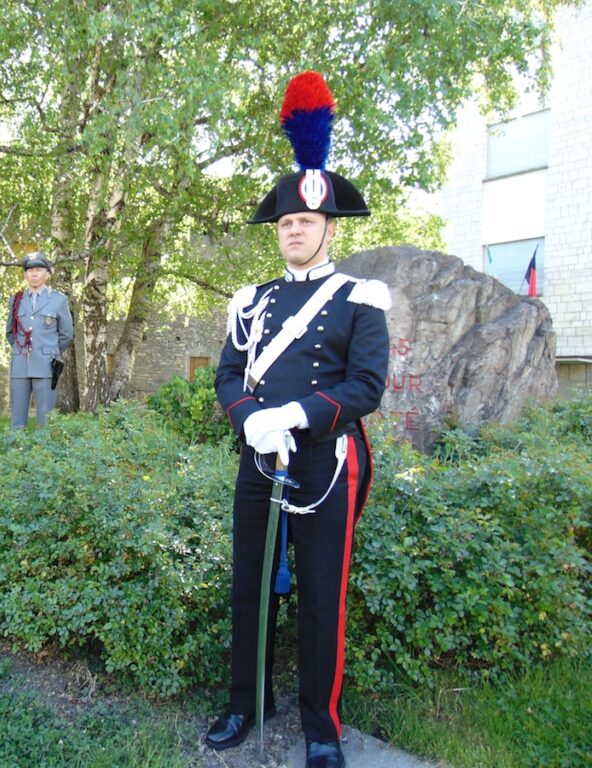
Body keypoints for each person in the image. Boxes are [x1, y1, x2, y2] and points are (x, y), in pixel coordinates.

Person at [206, 72, 390, 768]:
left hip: (324, 462)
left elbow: (366, 385)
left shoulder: (361, 297)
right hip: (259, 457)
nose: (293, 231)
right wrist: (250, 417)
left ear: (328, 227)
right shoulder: (251, 300)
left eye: (305, 222)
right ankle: (247, 703)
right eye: (285, 223)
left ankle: (321, 725)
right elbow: (229, 374)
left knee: (320, 596)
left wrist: (298, 414)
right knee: (250, 584)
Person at [6, 252, 74, 429]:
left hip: (46, 364)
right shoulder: (16, 300)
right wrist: (20, 349)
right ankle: (15, 454)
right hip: (20, 365)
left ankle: (44, 455)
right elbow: (10, 332)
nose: (34, 274)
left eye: (38, 269)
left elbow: (66, 334)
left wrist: (49, 350)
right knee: (17, 419)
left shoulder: (58, 300)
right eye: (30, 270)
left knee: (45, 418)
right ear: (25, 275)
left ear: (47, 274)